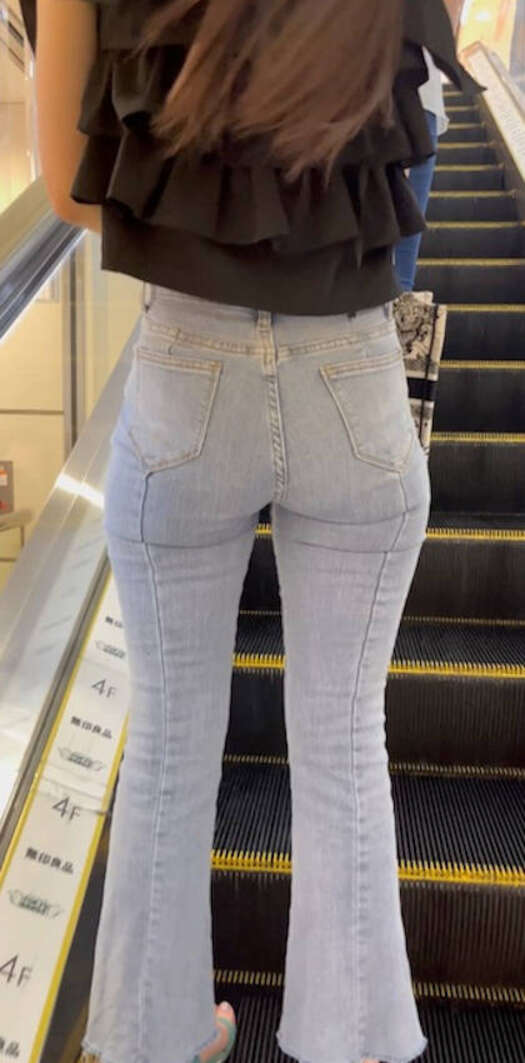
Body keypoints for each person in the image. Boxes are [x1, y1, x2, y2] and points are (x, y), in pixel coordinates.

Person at [22, 3, 481, 1063]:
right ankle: (348, 1044)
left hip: (183, 370)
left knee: (167, 750)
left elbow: (72, 188)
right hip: (355, 373)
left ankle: (158, 1040)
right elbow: (419, 146)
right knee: (343, 745)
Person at [394, 48, 449, 292]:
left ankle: (399, 294)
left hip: (378, 89)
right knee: (409, 212)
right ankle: (401, 296)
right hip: (420, 95)